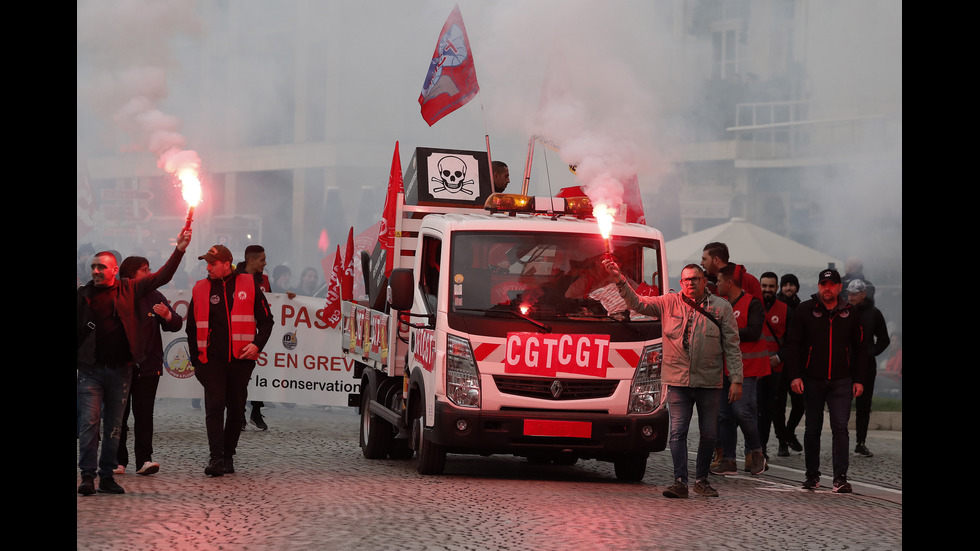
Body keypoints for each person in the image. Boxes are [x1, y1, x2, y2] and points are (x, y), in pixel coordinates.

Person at [603, 260, 743, 498]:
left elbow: (732, 345)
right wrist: (619, 279)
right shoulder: (668, 303)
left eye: (695, 279)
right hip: (677, 381)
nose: (690, 284)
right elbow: (637, 303)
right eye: (686, 280)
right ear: (681, 283)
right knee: (678, 432)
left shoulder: (721, 308)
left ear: (704, 281)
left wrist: (737, 379)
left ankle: (702, 480)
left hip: (709, 382)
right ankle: (680, 482)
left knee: (709, 434)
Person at [77, 229, 191, 495]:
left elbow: (163, 276)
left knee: (115, 425)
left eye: (101, 266)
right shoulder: (82, 295)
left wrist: (180, 250)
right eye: (93, 266)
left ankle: (107, 475)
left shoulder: (130, 289)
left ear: (115, 270)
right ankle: (87, 476)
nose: (96, 270)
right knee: (90, 424)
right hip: (92, 371)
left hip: (122, 371)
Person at [187, 244, 274, 476]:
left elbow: (267, 321)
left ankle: (228, 455)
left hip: (240, 361)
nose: (208, 267)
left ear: (227, 264)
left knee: (236, 410)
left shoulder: (249, 283)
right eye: (206, 263)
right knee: (214, 409)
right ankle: (215, 458)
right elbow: (191, 329)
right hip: (211, 362)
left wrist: (256, 345)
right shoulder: (200, 288)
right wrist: (197, 361)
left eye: (212, 263)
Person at [784, 268, 870, 493]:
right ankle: (812, 476)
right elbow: (792, 345)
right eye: (823, 284)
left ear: (840, 287)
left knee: (840, 428)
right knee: (812, 428)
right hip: (812, 379)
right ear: (818, 286)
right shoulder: (805, 310)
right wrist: (794, 375)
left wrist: (859, 379)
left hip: (842, 380)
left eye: (831, 285)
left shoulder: (851, 312)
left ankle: (840, 478)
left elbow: (861, 349)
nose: (827, 288)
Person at [113, 256, 183, 477]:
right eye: (145, 270)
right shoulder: (114, 295)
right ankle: (117, 461)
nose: (149, 273)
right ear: (130, 275)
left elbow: (176, 324)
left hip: (148, 367)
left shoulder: (155, 296)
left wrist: (168, 315)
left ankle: (144, 460)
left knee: (144, 415)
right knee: (118, 416)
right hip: (118, 367)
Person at [711, 264, 768, 476]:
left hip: (749, 367)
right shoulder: (721, 303)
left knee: (741, 410)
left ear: (729, 282)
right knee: (724, 414)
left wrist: (727, 331)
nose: (715, 285)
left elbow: (754, 332)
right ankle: (728, 459)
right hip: (725, 366)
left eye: (718, 281)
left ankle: (757, 453)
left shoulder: (753, 304)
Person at [846, 279, 890, 457]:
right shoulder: (843, 311)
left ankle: (860, 442)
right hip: (846, 365)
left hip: (866, 367)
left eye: (854, 294)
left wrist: (871, 352)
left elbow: (884, 339)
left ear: (863, 294)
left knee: (864, 406)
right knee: (842, 404)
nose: (851, 297)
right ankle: (840, 440)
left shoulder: (874, 313)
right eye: (849, 293)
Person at [756, 272, 796, 458]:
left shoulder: (785, 310)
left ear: (777, 287)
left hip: (776, 370)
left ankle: (761, 448)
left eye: (771, 286)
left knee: (769, 410)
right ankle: (754, 448)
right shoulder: (753, 307)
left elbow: (792, 341)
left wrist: (779, 357)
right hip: (754, 368)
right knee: (752, 410)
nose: (767, 290)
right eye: (764, 286)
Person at [237, 245, 272, 431]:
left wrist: (288, 298)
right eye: (262, 260)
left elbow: (271, 303)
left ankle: (256, 412)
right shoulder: (235, 277)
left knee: (260, 375)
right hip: (239, 336)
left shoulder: (264, 279)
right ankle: (239, 414)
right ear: (251, 260)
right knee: (241, 380)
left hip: (258, 336)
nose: (265, 263)